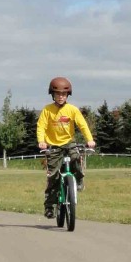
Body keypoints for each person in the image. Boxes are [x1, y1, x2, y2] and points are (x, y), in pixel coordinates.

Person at [37, 76, 95, 219]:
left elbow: (82, 125)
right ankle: (49, 207)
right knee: (53, 176)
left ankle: (79, 180)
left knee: (76, 158)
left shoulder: (72, 110)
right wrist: (42, 141)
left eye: (63, 94)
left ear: (67, 95)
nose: (61, 97)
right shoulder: (47, 110)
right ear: (53, 95)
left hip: (69, 143)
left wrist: (90, 140)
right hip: (53, 145)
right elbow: (41, 127)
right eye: (58, 94)